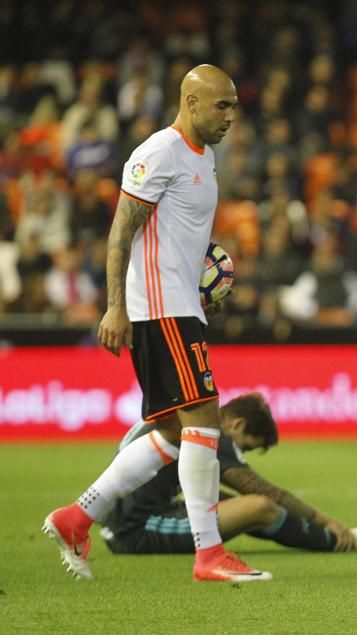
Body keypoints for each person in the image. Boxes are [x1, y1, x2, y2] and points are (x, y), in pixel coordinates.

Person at [42, 65, 270, 582]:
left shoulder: (204, 157)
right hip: (160, 310)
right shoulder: (156, 153)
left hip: (181, 305)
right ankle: (209, 554)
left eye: (234, 106)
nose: (231, 116)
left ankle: (77, 517)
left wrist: (201, 284)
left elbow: (177, 236)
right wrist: (114, 306)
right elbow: (121, 232)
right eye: (222, 106)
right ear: (190, 103)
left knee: (170, 432)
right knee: (205, 421)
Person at [100, 393, 357, 555]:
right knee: (260, 507)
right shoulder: (213, 432)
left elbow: (204, 490)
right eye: (245, 446)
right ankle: (339, 540)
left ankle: (335, 534)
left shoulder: (185, 415)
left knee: (246, 508)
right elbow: (266, 493)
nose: (239, 453)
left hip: (121, 520)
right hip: (135, 529)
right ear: (237, 424)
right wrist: (329, 522)